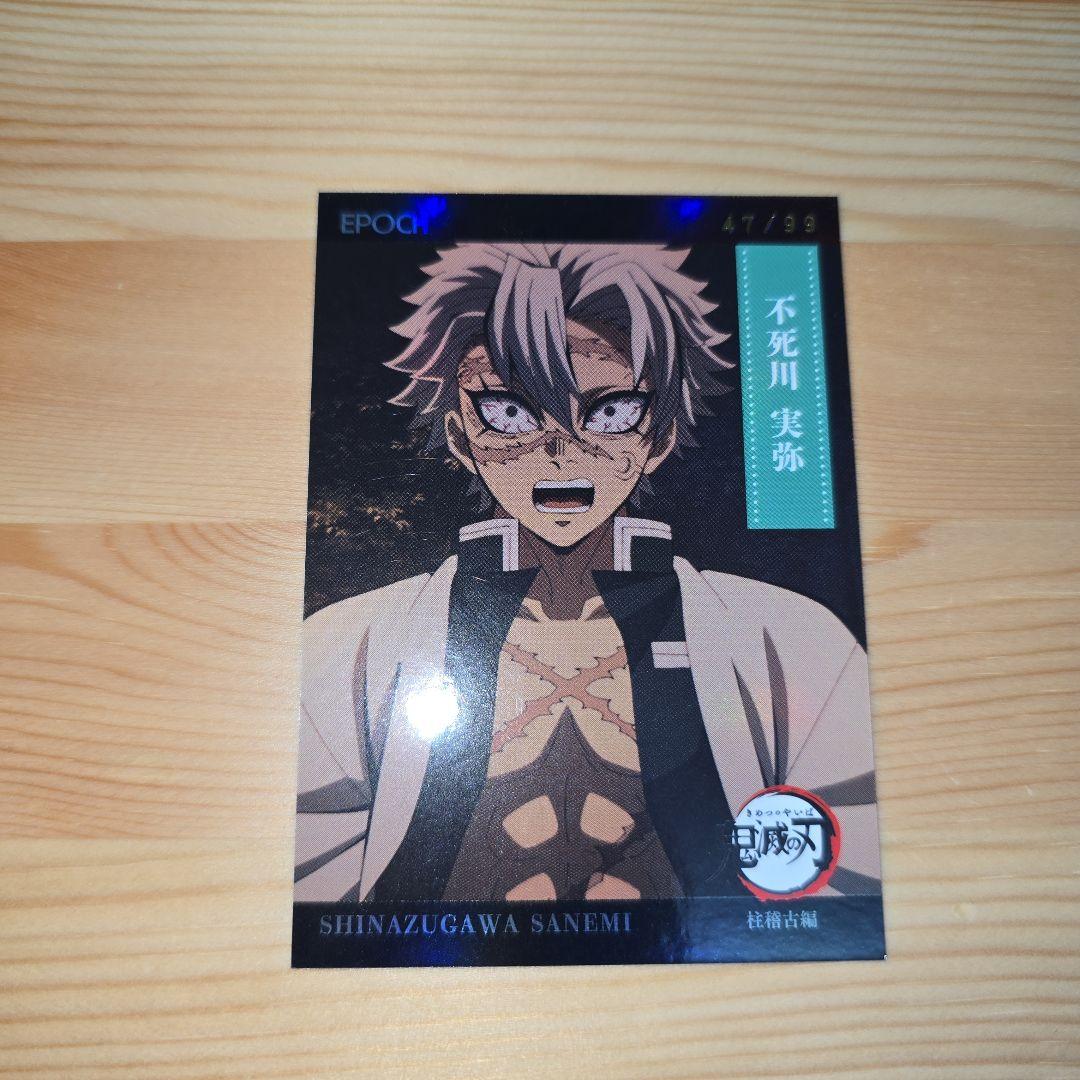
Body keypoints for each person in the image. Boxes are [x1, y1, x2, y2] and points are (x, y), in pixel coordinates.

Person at [294, 243, 880, 903]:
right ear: (460, 437)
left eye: (610, 413)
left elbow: (849, 876)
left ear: (658, 437)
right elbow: (308, 892)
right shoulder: (354, 646)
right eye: (510, 413)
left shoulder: (785, 636)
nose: (561, 452)